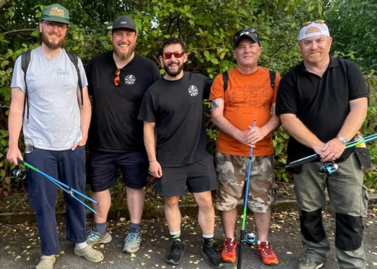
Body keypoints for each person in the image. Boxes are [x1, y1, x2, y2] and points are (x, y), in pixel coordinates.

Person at [6, 4, 103, 268]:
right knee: (44, 202)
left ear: (66, 30)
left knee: (76, 195)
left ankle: (80, 242)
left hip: (72, 144)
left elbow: (86, 103)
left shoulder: (74, 61)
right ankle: (48, 252)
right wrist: (13, 144)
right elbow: (16, 106)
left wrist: (83, 136)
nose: (55, 29)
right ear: (41, 26)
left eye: (60, 26)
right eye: (50, 24)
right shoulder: (25, 61)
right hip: (38, 147)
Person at [276, 21, 369, 269]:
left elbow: (359, 107)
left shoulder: (349, 70)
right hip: (306, 157)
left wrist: (340, 141)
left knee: (350, 212)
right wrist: (318, 146)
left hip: (346, 154)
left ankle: (351, 261)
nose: (313, 46)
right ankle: (315, 254)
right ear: (300, 47)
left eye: (318, 41)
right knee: (309, 212)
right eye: (307, 42)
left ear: (329, 42)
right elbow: (287, 117)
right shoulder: (290, 79)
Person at [138, 37, 224, 268]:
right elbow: (148, 127)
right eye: (167, 55)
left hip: (198, 156)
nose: (173, 59)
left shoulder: (201, 82)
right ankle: (176, 241)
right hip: (168, 159)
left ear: (185, 57)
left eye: (177, 54)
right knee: (172, 201)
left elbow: (226, 93)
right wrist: (152, 159)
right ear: (161, 60)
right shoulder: (153, 92)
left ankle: (208, 244)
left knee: (205, 201)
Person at [84, 15, 160, 253]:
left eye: (128, 34)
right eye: (119, 34)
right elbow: (81, 99)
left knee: (135, 187)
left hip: (135, 145)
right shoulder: (95, 64)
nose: (123, 39)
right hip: (100, 143)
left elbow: (159, 107)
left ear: (135, 38)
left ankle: (134, 231)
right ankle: (100, 230)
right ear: (112, 37)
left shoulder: (148, 68)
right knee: (99, 188)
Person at [209, 28, 280, 265]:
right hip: (229, 151)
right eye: (241, 46)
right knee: (227, 200)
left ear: (259, 50)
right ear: (234, 53)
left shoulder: (273, 78)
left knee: (262, 201)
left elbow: (280, 114)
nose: (247, 50)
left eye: (251, 46)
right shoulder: (223, 79)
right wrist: (239, 134)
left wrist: (262, 131)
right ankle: (230, 239)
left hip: (262, 152)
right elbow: (216, 115)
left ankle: (262, 241)